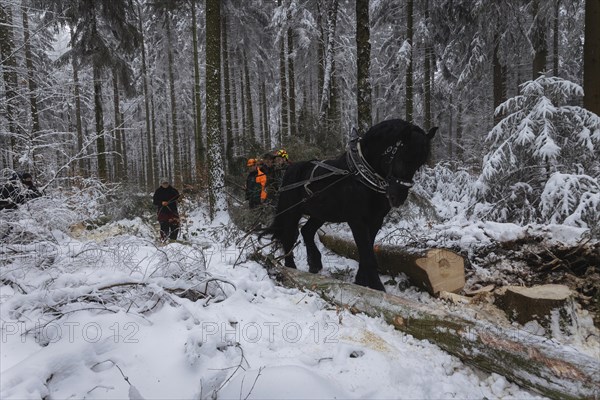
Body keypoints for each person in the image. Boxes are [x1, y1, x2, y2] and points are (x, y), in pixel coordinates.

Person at [153, 177, 181, 241]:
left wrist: (180, 199)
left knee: (175, 227)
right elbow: (154, 202)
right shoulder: (158, 191)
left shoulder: (173, 190)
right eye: (164, 183)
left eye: (166, 183)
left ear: (168, 183)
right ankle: (164, 241)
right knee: (164, 227)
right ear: (161, 183)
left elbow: (179, 198)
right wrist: (161, 202)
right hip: (163, 212)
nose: (165, 184)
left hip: (173, 211)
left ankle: (173, 241)